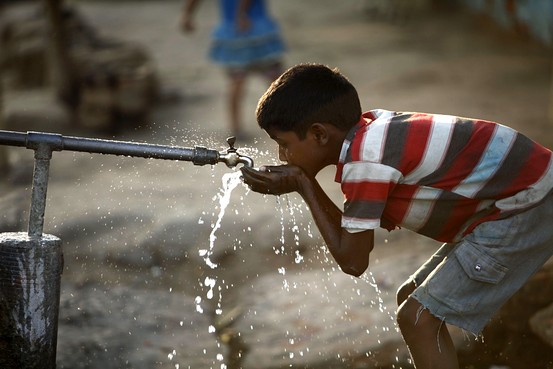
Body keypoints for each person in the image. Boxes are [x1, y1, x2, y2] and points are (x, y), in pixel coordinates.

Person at [240, 63, 553, 369]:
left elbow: (353, 260)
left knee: (418, 318)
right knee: (412, 300)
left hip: (529, 203)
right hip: (519, 197)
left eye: (284, 144)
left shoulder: (367, 161)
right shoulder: (369, 134)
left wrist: (304, 185)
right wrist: (303, 182)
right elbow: (352, 241)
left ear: (319, 134)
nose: (282, 156)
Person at [181, 0, 285, 140]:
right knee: (276, 81)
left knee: (239, 81)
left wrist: (187, 15)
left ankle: (236, 128)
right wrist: (241, 14)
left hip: (234, 31)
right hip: (254, 28)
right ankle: (285, 122)